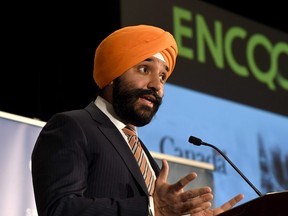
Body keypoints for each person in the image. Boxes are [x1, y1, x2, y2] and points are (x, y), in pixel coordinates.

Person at [31, 24, 244, 216]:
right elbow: (59, 209)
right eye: (144, 69)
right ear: (113, 74)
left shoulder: (139, 149)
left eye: (162, 76)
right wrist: (151, 209)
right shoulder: (72, 127)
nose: (157, 86)